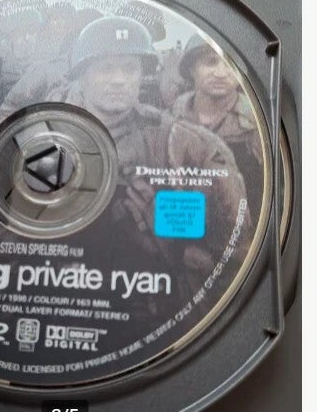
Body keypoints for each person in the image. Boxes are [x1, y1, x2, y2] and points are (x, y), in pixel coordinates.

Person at [47, 16, 250, 296]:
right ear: (81, 76)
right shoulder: (47, 138)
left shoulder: (189, 145)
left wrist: (172, 241)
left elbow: (237, 250)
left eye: (130, 69)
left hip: (153, 298)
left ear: (142, 75)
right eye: (106, 69)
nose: (119, 80)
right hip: (63, 289)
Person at [173, 34, 263, 212]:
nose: (221, 73)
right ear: (191, 68)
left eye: (230, 64)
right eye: (211, 62)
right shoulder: (171, 117)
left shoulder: (258, 123)